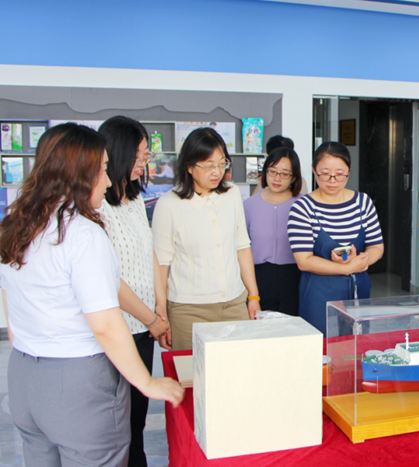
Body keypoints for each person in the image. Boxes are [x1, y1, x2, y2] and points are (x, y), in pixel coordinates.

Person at [0, 123, 183, 467]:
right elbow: (105, 325)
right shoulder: (83, 233)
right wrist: (146, 382)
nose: (109, 181)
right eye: (102, 170)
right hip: (78, 383)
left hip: (24, 374)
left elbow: (11, 314)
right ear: (80, 174)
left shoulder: (17, 223)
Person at [98, 116, 172, 467]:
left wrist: (160, 309)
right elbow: (108, 279)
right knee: (117, 427)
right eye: (138, 156)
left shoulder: (135, 200)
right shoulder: (97, 206)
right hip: (117, 330)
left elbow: (149, 255)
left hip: (144, 327)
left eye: (146, 156)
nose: (144, 163)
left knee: (136, 422)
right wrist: (151, 320)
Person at [152, 127, 261, 351]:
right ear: (189, 166)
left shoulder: (231, 194)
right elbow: (161, 264)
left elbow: (242, 247)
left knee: (238, 366)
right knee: (190, 370)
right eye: (209, 165)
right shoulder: (169, 204)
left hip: (234, 304)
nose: (217, 172)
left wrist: (253, 296)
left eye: (222, 164)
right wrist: (161, 310)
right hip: (188, 311)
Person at [288, 141, 384, 335]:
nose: (332, 181)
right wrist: (347, 268)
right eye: (325, 174)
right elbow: (304, 261)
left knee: (355, 345)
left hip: (358, 291)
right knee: (321, 346)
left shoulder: (363, 202)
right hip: (319, 294)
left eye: (340, 174)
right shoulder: (302, 208)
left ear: (349, 171)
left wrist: (361, 261)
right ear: (314, 171)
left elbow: (376, 247)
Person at [244, 147, 303, 316]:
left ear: (294, 177)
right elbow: (241, 248)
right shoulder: (249, 205)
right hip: (259, 279)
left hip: (295, 278)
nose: (277, 178)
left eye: (285, 173)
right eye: (272, 171)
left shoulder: (304, 204)